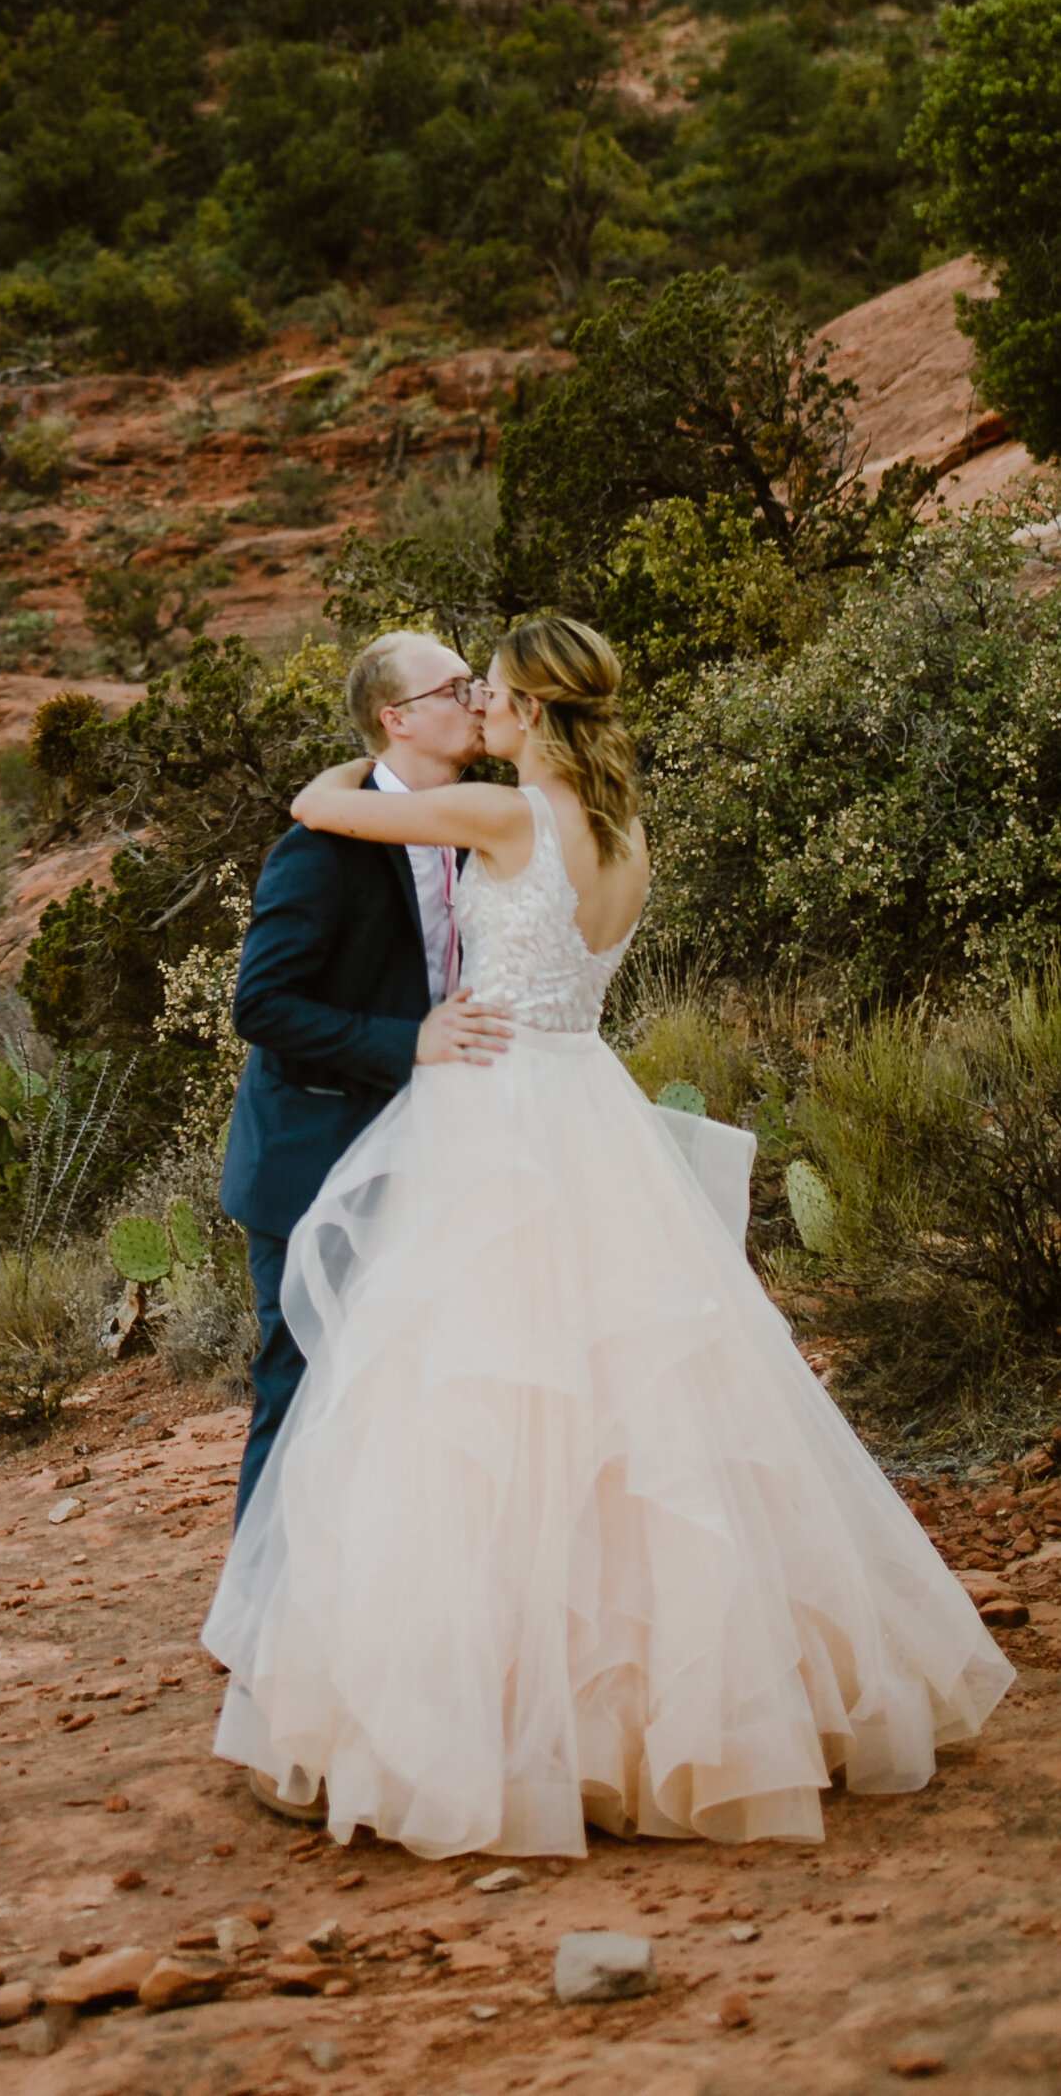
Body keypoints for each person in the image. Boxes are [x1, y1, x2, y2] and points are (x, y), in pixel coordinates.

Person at [203, 611, 1010, 1858]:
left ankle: (471, 1708)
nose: (478, 706)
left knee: (458, 1397)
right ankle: (661, 1702)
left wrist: (346, 767)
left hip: (494, 1115)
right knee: (632, 1406)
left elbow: (324, 806)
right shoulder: (626, 832)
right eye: (457, 690)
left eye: (492, 692)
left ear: (525, 712)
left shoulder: (507, 817)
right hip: (588, 1104)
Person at [217, 628, 506, 1534]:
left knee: (411, 1382)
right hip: (313, 1155)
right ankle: (257, 1621)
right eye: (456, 687)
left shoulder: (479, 824)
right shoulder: (317, 847)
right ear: (398, 719)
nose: (474, 699)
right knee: (301, 1380)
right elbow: (261, 1006)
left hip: (433, 1157)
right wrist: (409, 1043)